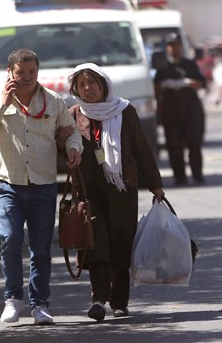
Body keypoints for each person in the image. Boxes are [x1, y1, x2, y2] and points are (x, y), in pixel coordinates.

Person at [0, 49, 83, 325]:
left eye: (32, 71)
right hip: (10, 186)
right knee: (9, 241)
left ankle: (39, 304)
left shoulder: (53, 102)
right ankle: (12, 299)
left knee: (41, 249)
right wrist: (2, 106)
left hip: (43, 187)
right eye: (21, 72)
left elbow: (71, 133)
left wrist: (73, 149)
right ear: (10, 73)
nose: (27, 77)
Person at [64, 63, 165, 321]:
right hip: (89, 191)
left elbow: (142, 149)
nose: (88, 89)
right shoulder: (74, 114)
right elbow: (63, 146)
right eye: (82, 85)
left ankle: (119, 301)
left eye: (93, 83)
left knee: (121, 242)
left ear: (104, 85)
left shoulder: (125, 111)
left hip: (122, 189)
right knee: (95, 242)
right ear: (76, 90)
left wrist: (156, 185)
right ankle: (98, 299)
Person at [153, 37, 207, 186]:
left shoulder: (190, 65)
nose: (174, 49)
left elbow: (201, 84)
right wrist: (166, 85)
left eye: (176, 46)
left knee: (194, 143)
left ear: (181, 48)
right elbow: (155, 88)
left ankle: (197, 174)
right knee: (174, 145)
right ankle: (180, 176)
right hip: (171, 110)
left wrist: (187, 83)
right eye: (171, 46)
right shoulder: (163, 68)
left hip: (191, 109)